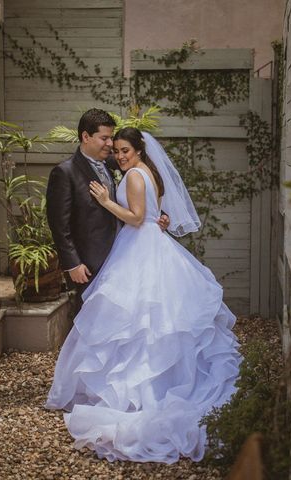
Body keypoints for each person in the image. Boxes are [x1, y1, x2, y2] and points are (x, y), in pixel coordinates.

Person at [45, 127, 241, 463]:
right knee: (147, 320)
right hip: (149, 242)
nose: (119, 156)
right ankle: (149, 385)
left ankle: (138, 393)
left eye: (125, 150)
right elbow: (149, 215)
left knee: (139, 321)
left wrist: (106, 201)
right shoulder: (147, 172)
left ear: (138, 149)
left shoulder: (135, 175)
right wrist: (153, 218)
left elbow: (136, 219)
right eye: (116, 151)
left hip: (140, 245)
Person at [45, 109, 169, 304]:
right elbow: (59, 225)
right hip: (89, 264)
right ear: (86, 137)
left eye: (111, 138)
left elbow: (141, 192)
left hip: (124, 256)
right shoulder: (65, 172)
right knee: (91, 319)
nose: (111, 145)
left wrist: (157, 216)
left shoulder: (117, 162)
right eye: (105, 138)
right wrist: (72, 264)